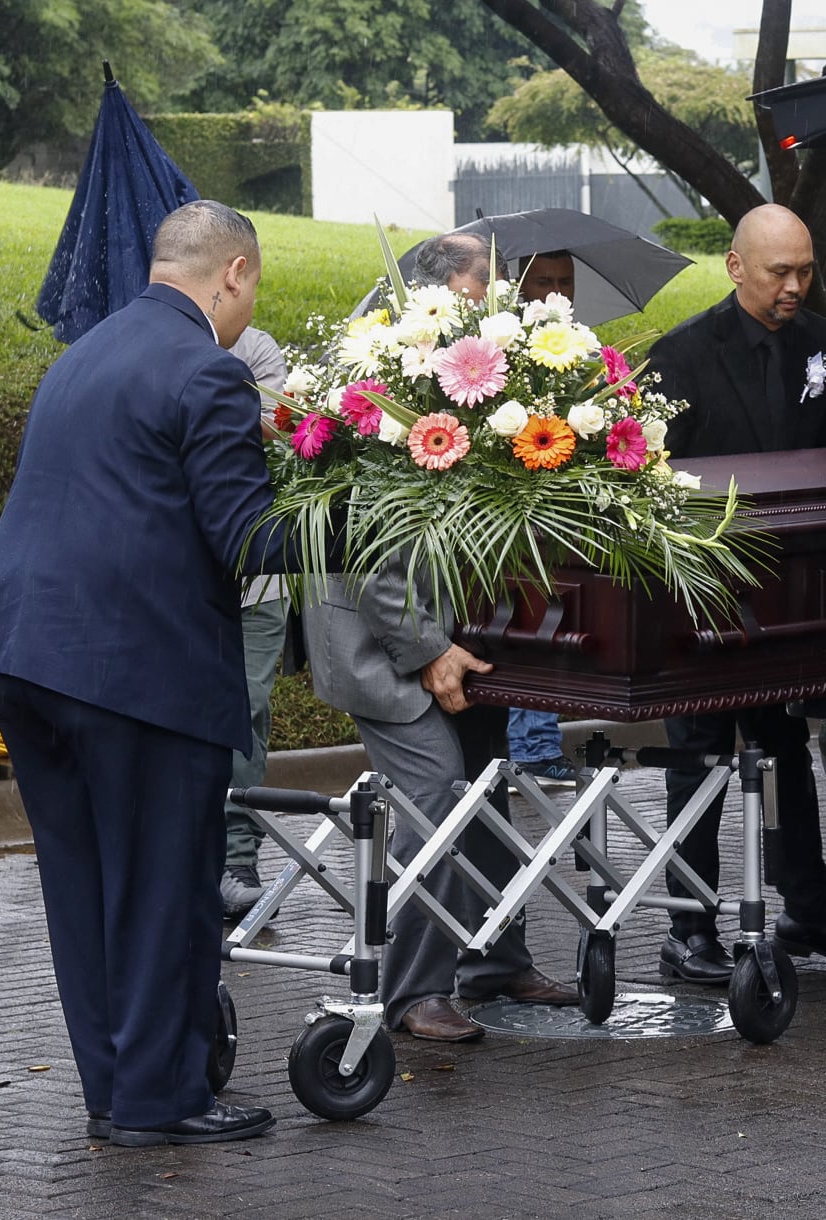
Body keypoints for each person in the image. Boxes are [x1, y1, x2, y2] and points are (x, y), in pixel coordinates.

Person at [0, 200, 292, 1143]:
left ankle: (114, 1088)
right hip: (134, 668)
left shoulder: (81, 355)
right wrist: (381, 530)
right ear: (233, 274)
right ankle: (160, 1101)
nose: (246, 309)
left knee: (85, 886)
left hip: (24, 656)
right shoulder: (208, 371)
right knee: (159, 887)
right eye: (251, 288)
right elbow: (248, 537)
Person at [305, 230, 578, 1044]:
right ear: (430, 294)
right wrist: (428, 652)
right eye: (480, 287)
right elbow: (375, 551)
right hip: (389, 649)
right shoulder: (383, 378)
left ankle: (494, 959)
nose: (495, 303)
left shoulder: (473, 372)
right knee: (436, 803)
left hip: (465, 635)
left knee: (486, 790)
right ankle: (412, 992)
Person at [644, 203, 826, 985]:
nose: (795, 287)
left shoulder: (822, 344)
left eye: (805, 271)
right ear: (734, 266)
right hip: (704, 593)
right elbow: (650, 482)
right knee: (698, 756)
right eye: (779, 273)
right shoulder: (680, 355)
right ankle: (690, 928)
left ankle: (807, 909)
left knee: (788, 751)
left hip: (792, 593)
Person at [219, 324, 291, 918]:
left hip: (259, 583)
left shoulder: (257, 348)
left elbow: (276, 428)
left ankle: (237, 857)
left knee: (246, 709)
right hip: (183, 580)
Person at [505, 248, 584, 788]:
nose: (555, 291)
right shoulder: (502, 344)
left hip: (559, 509)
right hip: (516, 510)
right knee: (527, 621)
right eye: (543, 281)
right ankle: (530, 745)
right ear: (518, 286)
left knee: (549, 621)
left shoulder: (578, 350)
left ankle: (539, 741)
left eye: (564, 281)